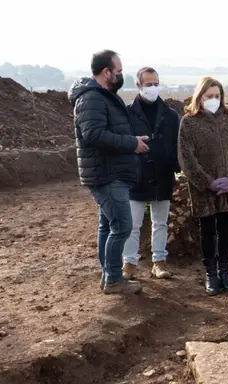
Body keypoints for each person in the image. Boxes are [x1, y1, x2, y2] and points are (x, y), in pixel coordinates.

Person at [68, 49, 149, 295]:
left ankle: (108, 277)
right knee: (122, 226)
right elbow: (93, 134)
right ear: (107, 72)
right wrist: (131, 143)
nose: (121, 75)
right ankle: (114, 279)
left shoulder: (102, 96)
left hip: (111, 171)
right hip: (107, 173)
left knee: (108, 225)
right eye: (119, 71)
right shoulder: (92, 98)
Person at [178, 77, 228, 296]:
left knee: (226, 229)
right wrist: (207, 182)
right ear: (200, 97)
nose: (214, 100)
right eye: (209, 96)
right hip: (203, 191)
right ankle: (211, 275)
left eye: (217, 96)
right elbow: (186, 158)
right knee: (207, 230)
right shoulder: (189, 122)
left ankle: (225, 273)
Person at [121, 67, 180, 281]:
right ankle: (129, 263)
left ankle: (159, 262)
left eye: (156, 83)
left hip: (163, 174)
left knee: (161, 222)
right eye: (148, 84)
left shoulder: (171, 115)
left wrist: (177, 167)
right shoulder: (127, 113)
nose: (153, 88)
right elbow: (123, 143)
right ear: (138, 85)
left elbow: (176, 145)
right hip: (137, 176)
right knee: (133, 223)